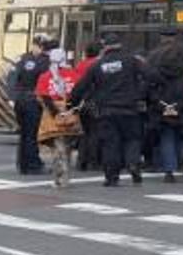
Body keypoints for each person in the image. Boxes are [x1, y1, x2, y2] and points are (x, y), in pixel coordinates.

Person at [68, 33, 148, 186]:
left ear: (105, 47)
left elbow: (80, 88)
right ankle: (133, 164)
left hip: (106, 111)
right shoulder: (132, 61)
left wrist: (71, 105)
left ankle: (111, 177)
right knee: (132, 139)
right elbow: (151, 76)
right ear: (120, 45)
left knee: (111, 143)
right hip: (129, 109)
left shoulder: (96, 65)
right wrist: (140, 94)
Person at [148, 28, 183, 183]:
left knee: (167, 136)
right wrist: (181, 103)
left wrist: (161, 104)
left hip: (162, 105)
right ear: (177, 38)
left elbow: (149, 83)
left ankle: (169, 171)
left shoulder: (153, 57)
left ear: (161, 38)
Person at [35, 48, 85, 188]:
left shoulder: (45, 76)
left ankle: (60, 178)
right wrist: (69, 110)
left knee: (58, 148)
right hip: (71, 116)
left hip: (52, 118)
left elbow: (43, 98)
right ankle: (65, 177)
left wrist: (56, 113)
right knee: (67, 147)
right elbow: (78, 95)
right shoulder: (74, 75)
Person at [9, 34, 50, 174]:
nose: (41, 49)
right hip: (32, 100)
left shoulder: (21, 59)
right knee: (31, 134)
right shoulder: (46, 62)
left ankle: (23, 163)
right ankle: (32, 165)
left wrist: (12, 98)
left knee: (25, 133)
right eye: (41, 46)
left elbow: (12, 79)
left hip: (20, 100)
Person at [73, 42, 103, 172]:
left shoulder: (80, 64)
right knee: (95, 132)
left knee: (84, 132)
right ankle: (93, 161)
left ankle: (81, 161)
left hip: (81, 102)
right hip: (95, 101)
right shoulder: (98, 65)